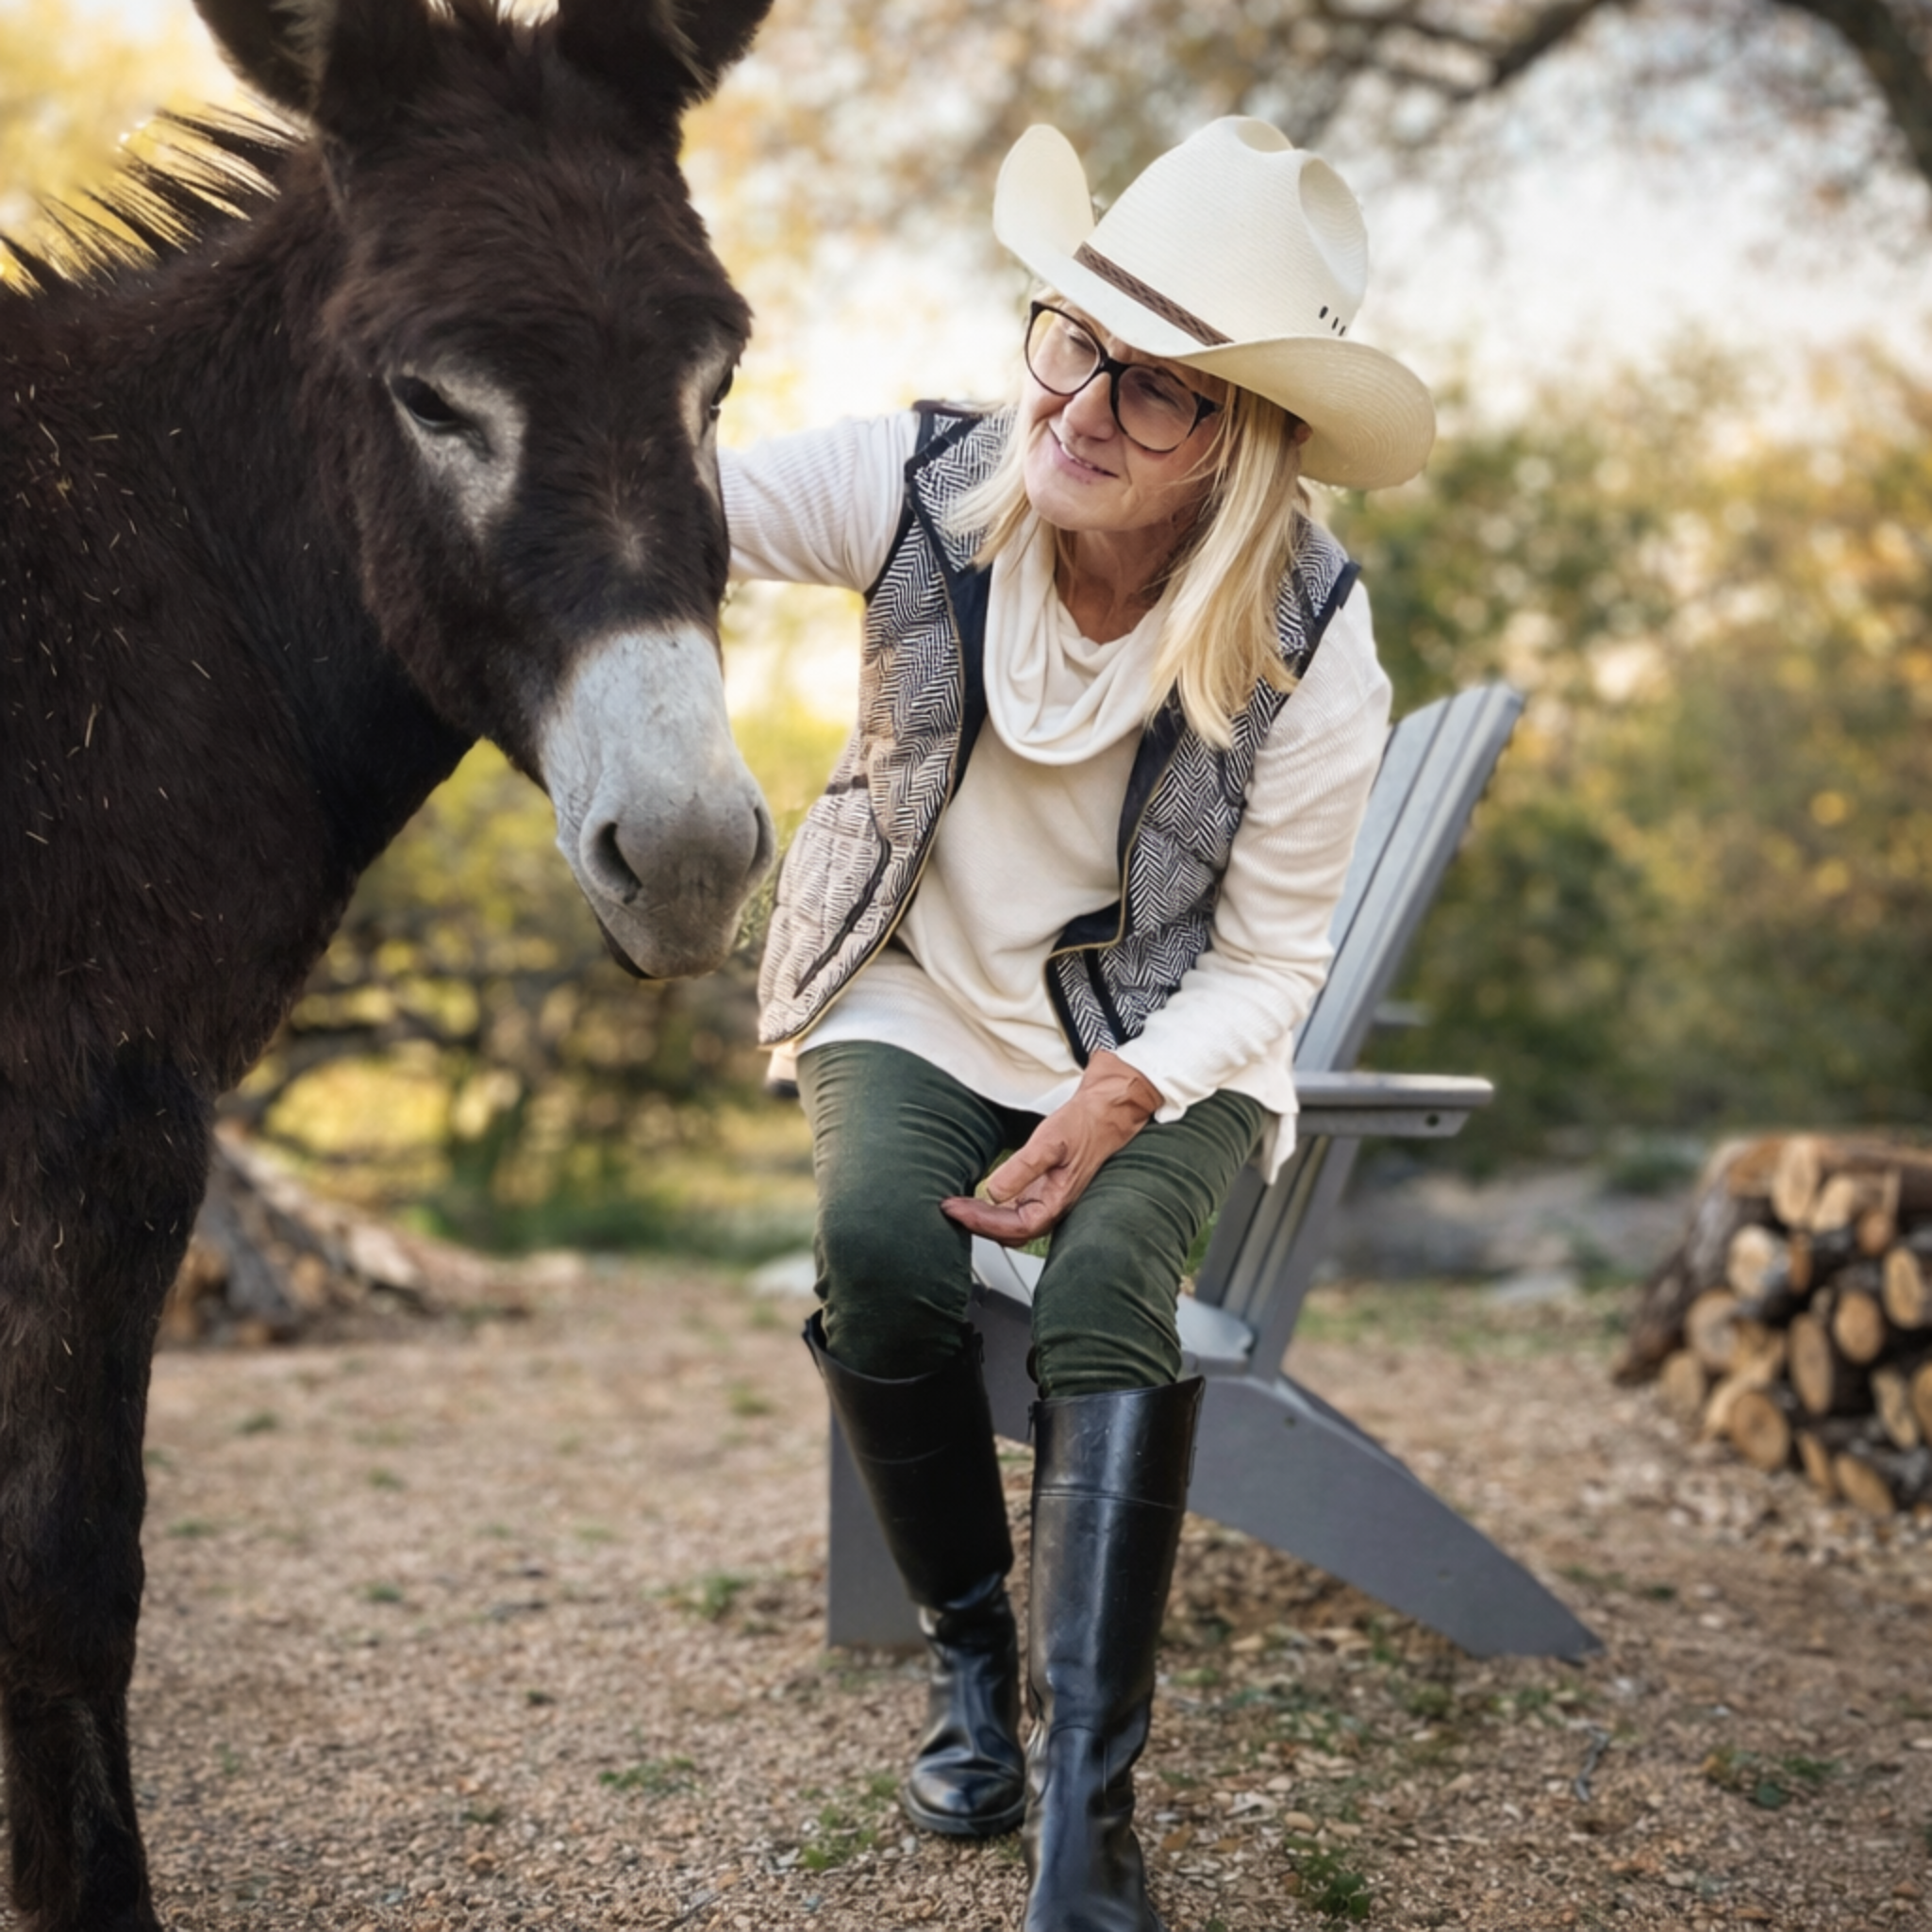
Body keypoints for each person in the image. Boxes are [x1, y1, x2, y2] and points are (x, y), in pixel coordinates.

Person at [721, 116, 1434, 1932]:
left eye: (1160, 390)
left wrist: (1117, 1101)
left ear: (1241, 446)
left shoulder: (1308, 635)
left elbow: (1272, 964)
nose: (1083, 406)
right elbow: (659, 503)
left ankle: (1085, 1817)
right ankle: (976, 1673)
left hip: (1169, 1036)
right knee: (880, 1249)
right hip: (908, 994)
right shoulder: (911, 482)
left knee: (1116, 1284)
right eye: (1071, 338)